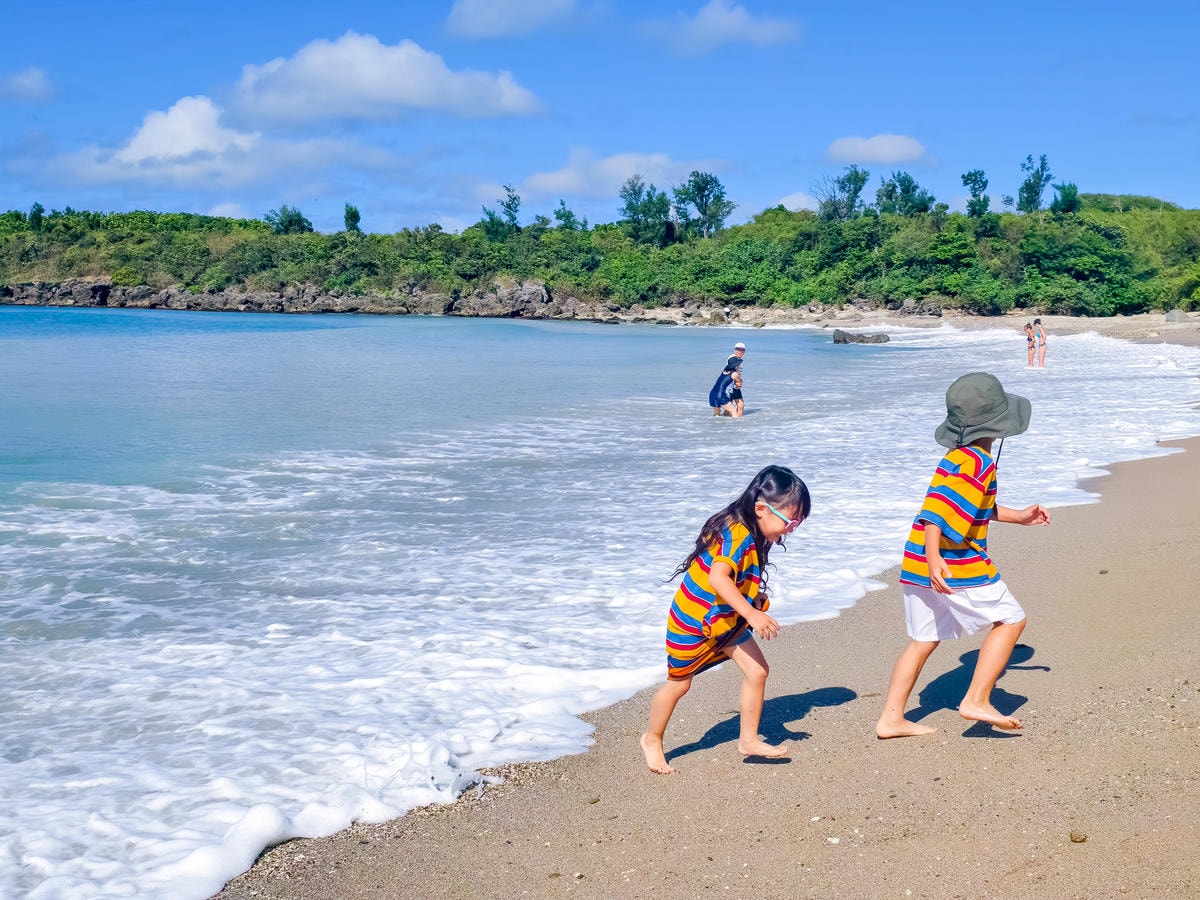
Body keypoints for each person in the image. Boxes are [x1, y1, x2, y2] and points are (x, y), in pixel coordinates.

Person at [875, 372, 1051, 739]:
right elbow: (938, 509)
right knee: (1011, 620)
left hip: (918, 561)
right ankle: (976, 699)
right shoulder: (979, 462)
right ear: (998, 423)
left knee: (924, 639)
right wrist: (937, 553)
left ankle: (891, 718)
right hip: (952, 562)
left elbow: (968, 505)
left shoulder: (956, 457)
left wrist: (1019, 516)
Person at [641, 465, 811, 774]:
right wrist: (751, 613)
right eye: (791, 520)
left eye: (798, 522)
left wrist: (752, 597)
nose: (792, 528)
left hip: (722, 619)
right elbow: (719, 578)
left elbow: (739, 574)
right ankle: (651, 739)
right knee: (678, 685)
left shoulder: (755, 532)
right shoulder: (737, 534)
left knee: (757, 671)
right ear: (761, 509)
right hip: (693, 621)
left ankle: (748, 740)